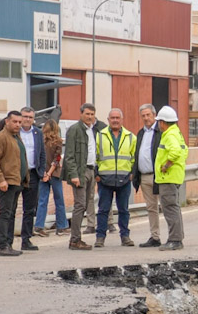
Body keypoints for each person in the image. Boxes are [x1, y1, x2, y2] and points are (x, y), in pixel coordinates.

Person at [0, 111, 28, 256]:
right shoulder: (0, 138)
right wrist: (0, 179)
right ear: (7, 121)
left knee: (11, 215)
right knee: (4, 214)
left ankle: (9, 245)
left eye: (19, 122)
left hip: (17, 181)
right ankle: (3, 246)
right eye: (15, 122)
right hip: (7, 182)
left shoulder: (16, 137)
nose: (18, 124)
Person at [94, 108, 136, 247]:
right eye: (113, 118)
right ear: (108, 120)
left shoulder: (131, 137)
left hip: (124, 179)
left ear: (122, 120)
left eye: (118, 118)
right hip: (104, 179)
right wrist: (96, 174)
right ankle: (100, 237)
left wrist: (131, 173)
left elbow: (134, 157)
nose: (115, 120)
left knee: (123, 210)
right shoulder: (99, 136)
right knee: (103, 210)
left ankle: (125, 236)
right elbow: (94, 156)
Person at [62, 103, 99, 250]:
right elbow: (69, 155)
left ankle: (76, 239)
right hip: (80, 172)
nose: (89, 117)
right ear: (81, 113)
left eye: (92, 114)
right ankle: (75, 240)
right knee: (80, 205)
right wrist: (74, 175)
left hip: (91, 170)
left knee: (86, 204)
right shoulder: (74, 130)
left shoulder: (91, 131)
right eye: (87, 114)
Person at [154, 106, 187, 251]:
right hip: (174, 177)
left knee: (170, 208)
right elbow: (184, 150)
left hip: (168, 177)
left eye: (159, 121)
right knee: (174, 208)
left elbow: (176, 151)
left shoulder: (169, 135)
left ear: (163, 122)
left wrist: (166, 165)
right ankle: (177, 237)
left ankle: (175, 240)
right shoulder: (176, 132)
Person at [132, 103, 162, 247]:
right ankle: (155, 237)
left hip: (160, 176)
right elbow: (137, 153)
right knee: (151, 208)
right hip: (144, 176)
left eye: (148, 115)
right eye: (143, 116)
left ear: (154, 115)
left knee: (168, 206)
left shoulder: (161, 131)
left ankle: (174, 236)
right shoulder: (141, 133)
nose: (146, 118)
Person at [16, 107, 46, 251]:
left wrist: (41, 171)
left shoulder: (38, 133)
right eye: (25, 116)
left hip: (33, 174)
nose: (27, 119)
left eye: (30, 117)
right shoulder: (14, 132)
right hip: (16, 174)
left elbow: (42, 153)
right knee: (11, 208)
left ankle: (26, 240)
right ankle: (7, 241)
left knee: (29, 209)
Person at [34, 120, 69, 236]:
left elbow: (38, 158)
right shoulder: (58, 142)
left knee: (42, 200)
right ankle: (61, 227)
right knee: (59, 201)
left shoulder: (40, 141)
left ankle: (39, 226)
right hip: (54, 174)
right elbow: (57, 159)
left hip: (42, 174)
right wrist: (49, 173)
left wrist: (43, 173)